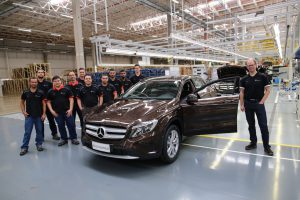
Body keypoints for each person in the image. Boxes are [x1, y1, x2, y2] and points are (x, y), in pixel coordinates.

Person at [240, 58, 273, 156]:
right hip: (248, 104)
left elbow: (268, 90)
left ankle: (266, 147)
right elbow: (241, 92)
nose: (250, 67)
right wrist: (241, 104)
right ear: (247, 67)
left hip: (259, 104)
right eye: (248, 65)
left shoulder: (262, 77)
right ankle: (253, 143)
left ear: (256, 65)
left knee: (263, 126)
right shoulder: (244, 79)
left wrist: (262, 102)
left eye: (252, 65)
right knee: (251, 125)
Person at [46, 76, 79, 146]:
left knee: (71, 125)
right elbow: (48, 102)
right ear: (53, 82)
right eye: (55, 81)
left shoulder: (66, 89)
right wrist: (52, 111)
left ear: (61, 81)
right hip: (57, 113)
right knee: (61, 126)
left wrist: (70, 109)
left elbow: (71, 99)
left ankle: (74, 138)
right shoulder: (50, 91)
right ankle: (64, 139)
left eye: (58, 80)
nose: (57, 82)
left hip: (67, 112)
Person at [20, 77, 46, 156]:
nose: (34, 83)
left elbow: (44, 104)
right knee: (27, 132)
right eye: (32, 82)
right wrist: (23, 112)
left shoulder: (41, 92)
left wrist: (44, 114)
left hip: (39, 116)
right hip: (29, 116)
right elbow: (21, 102)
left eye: (35, 82)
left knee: (39, 131)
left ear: (37, 83)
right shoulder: (25, 92)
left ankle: (39, 144)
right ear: (29, 83)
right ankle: (24, 147)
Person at [36, 69, 59, 140]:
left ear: (44, 74)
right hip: (39, 106)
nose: (40, 74)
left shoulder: (49, 83)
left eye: (41, 72)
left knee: (51, 120)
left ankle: (54, 134)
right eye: (39, 72)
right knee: (40, 122)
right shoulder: (35, 83)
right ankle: (41, 136)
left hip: (49, 105)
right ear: (37, 74)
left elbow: (53, 92)